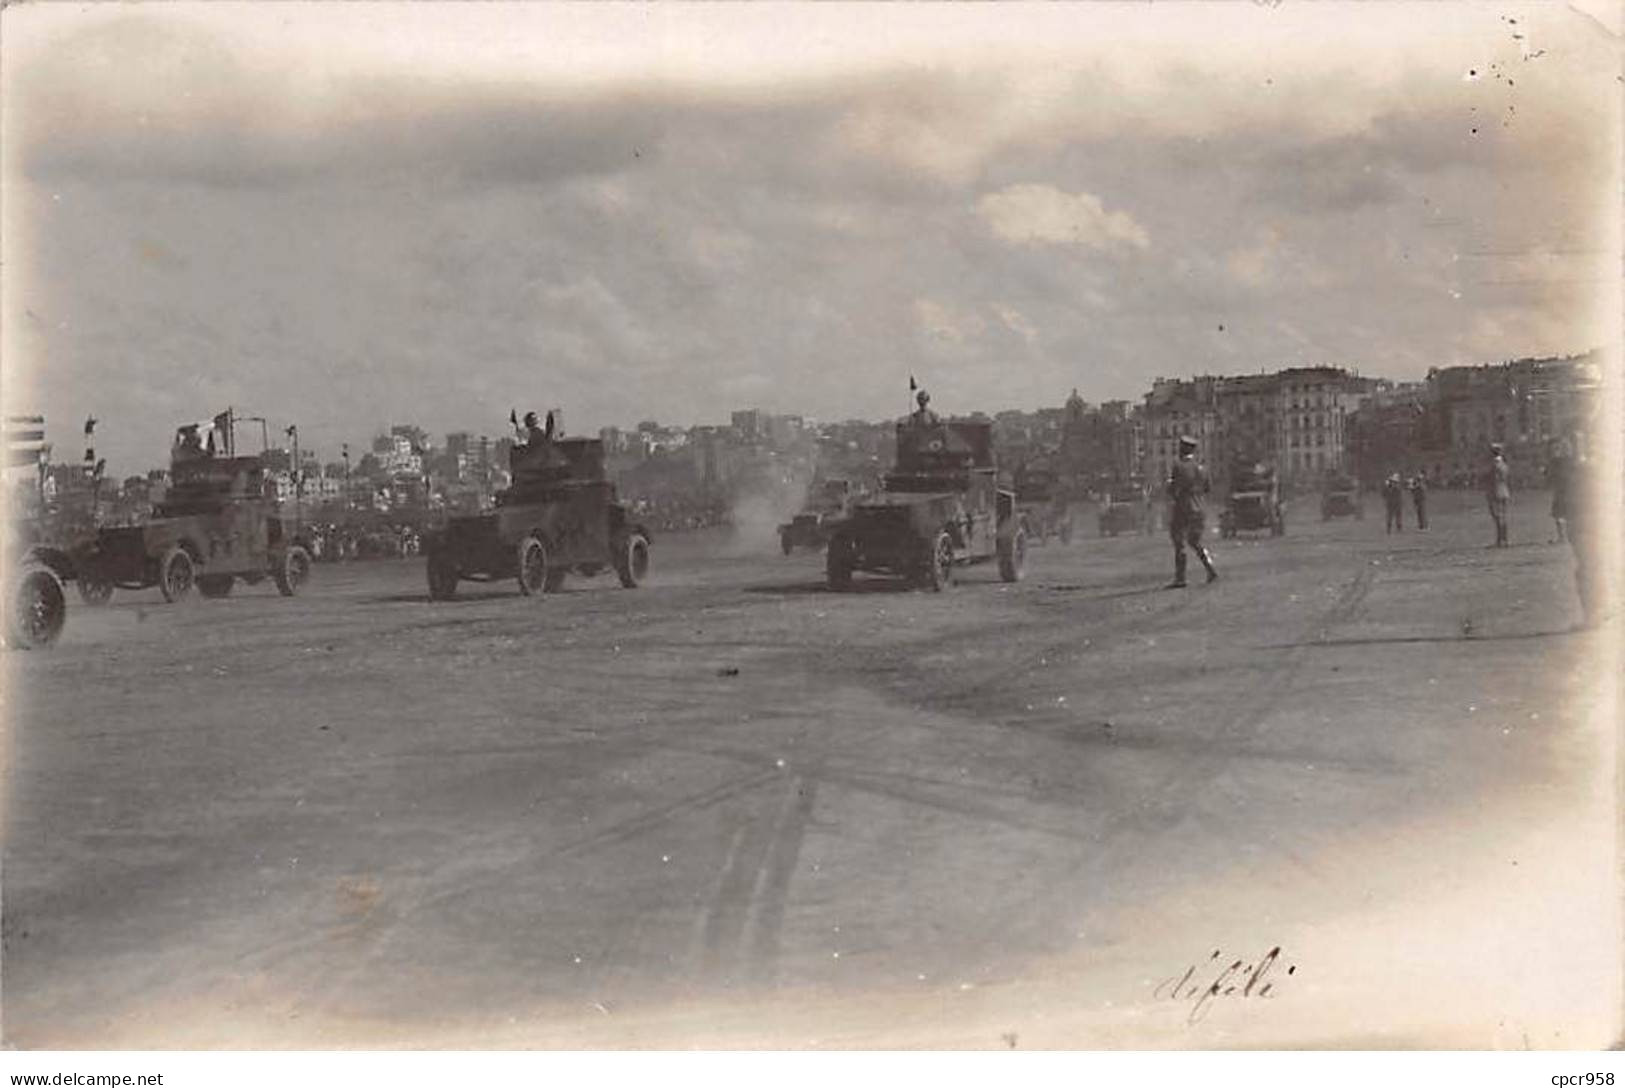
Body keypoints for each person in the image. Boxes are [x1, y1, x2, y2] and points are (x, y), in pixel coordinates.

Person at [1165, 435, 1218, 587]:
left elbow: (1173, 489)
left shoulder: (1178, 466)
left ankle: (1180, 578)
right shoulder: (1202, 467)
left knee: (1179, 542)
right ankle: (1210, 569)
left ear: (1182, 449)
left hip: (1183, 508)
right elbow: (1208, 488)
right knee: (1195, 542)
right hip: (1199, 508)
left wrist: (1170, 487)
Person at [1486, 442, 1511, 547]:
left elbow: (1492, 480)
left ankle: (1500, 540)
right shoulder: (1504, 465)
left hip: (1495, 492)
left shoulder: (1494, 465)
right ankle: (1504, 539)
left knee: (1497, 517)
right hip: (1504, 491)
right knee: (1503, 517)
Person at [1546, 440, 1571, 543]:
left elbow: (1551, 477)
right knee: (1562, 514)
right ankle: (1564, 536)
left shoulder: (1557, 463)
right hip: (1565, 491)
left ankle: (1562, 537)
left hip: (1561, 492)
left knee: (1559, 514)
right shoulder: (1566, 462)